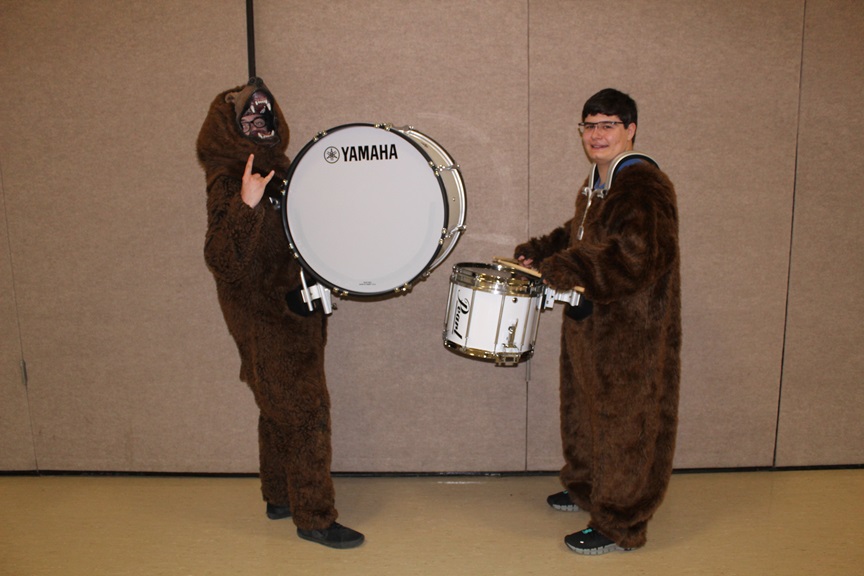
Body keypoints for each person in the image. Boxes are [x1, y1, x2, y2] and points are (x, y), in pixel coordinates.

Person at [196, 77, 364, 549]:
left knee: (277, 407)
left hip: (297, 309)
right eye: (249, 121)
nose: (260, 127)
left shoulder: (284, 172)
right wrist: (246, 203)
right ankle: (314, 515)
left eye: (266, 118)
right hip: (263, 315)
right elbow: (222, 259)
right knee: (307, 412)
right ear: (229, 130)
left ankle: (279, 495)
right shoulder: (230, 179)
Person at [514, 88, 681, 555]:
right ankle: (587, 488)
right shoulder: (598, 183)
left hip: (630, 334)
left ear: (631, 130)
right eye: (589, 125)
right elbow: (581, 234)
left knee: (626, 422)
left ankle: (621, 522)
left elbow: (640, 255)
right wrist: (546, 249)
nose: (597, 134)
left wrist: (576, 268)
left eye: (608, 124)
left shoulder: (643, 183)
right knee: (586, 412)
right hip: (591, 326)